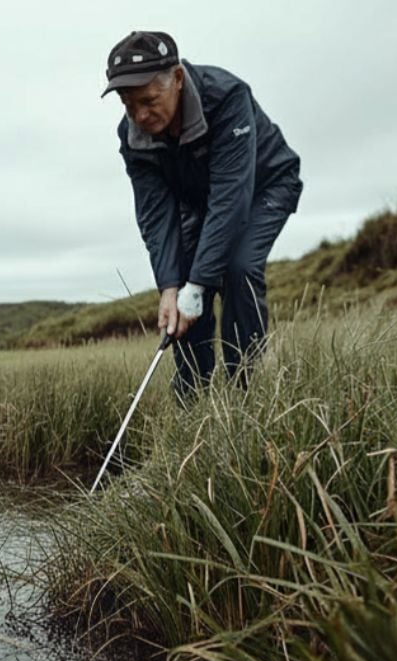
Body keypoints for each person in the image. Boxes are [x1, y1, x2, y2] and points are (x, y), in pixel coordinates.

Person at [102, 31, 302, 395]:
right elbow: (156, 213)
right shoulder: (133, 136)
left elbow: (231, 197)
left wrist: (198, 283)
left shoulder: (226, 97)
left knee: (237, 267)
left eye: (148, 100)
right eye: (128, 105)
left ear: (177, 79)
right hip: (202, 202)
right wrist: (170, 285)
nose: (140, 115)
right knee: (183, 292)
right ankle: (192, 396)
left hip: (264, 187)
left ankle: (248, 387)